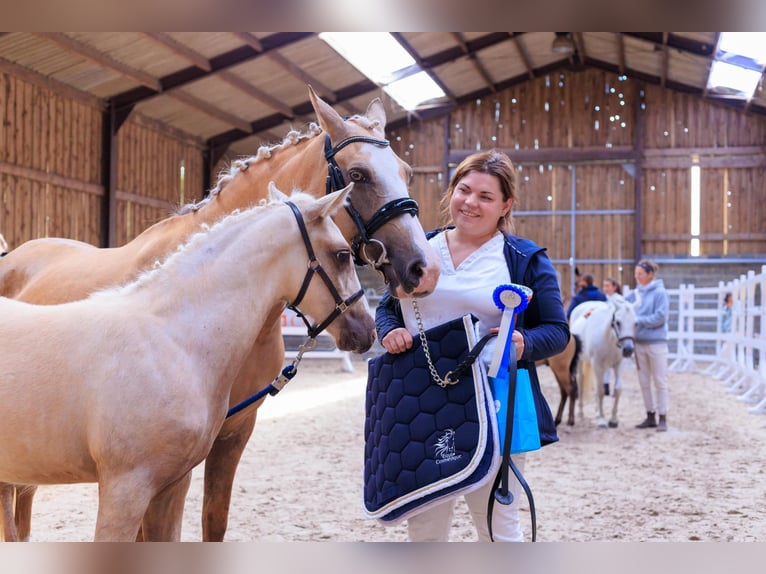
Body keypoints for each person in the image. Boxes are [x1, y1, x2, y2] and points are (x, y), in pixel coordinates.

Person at [375, 149, 569, 542]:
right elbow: (387, 308)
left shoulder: (523, 259)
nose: (471, 203)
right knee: (425, 524)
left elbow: (557, 330)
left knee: (498, 523)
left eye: (485, 196)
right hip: (422, 400)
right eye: (464, 190)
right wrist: (388, 331)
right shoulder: (421, 248)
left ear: (505, 205)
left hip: (493, 401)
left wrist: (524, 342)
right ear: (452, 191)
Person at [624, 259, 670, 432]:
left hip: (656, 343)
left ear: (650, 274)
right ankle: (650, 414)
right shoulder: (636, 293)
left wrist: (638, 321)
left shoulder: (660, 293)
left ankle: (663, 416)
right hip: (639, 343)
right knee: (644, 381)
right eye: (636, 274)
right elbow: (620, 304)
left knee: (660, 380)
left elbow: (661, 316)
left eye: (640, 274)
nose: (637, 277)